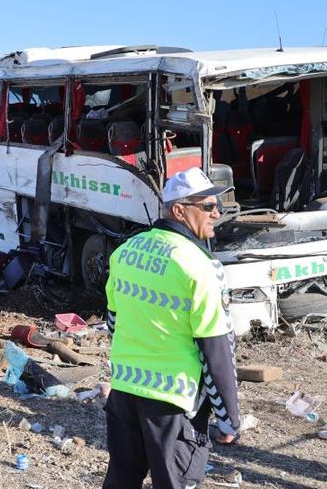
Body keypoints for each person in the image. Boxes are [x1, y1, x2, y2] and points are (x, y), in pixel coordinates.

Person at [102, 167, 240, 489]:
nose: (216, 213)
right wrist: (228, 417)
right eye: (207, 207)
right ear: (179, 210)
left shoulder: (125, 252)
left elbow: (113, 323)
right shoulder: (201, 266)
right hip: (174, 402)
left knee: (121, 482)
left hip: (125, 392)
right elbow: (216, 348)